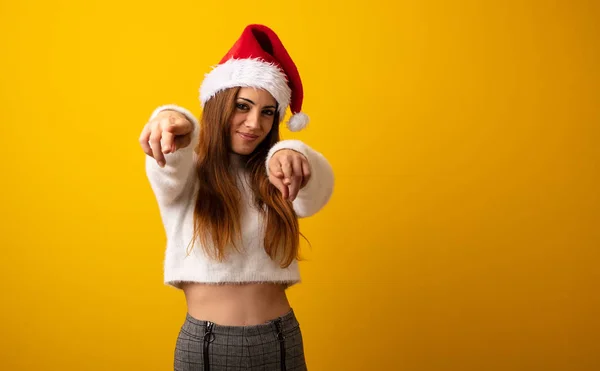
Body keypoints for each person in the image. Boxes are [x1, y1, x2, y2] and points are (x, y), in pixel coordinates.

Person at [139, 24, 334, 371]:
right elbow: (168, 163)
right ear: (219, 104)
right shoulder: (189, 170)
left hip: (280, 339)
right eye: (242, 106)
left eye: (267, 112)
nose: (254, 123)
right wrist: (169, 119)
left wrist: (290, 152)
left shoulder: (275, 175)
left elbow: (312, 195)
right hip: (206, 346)